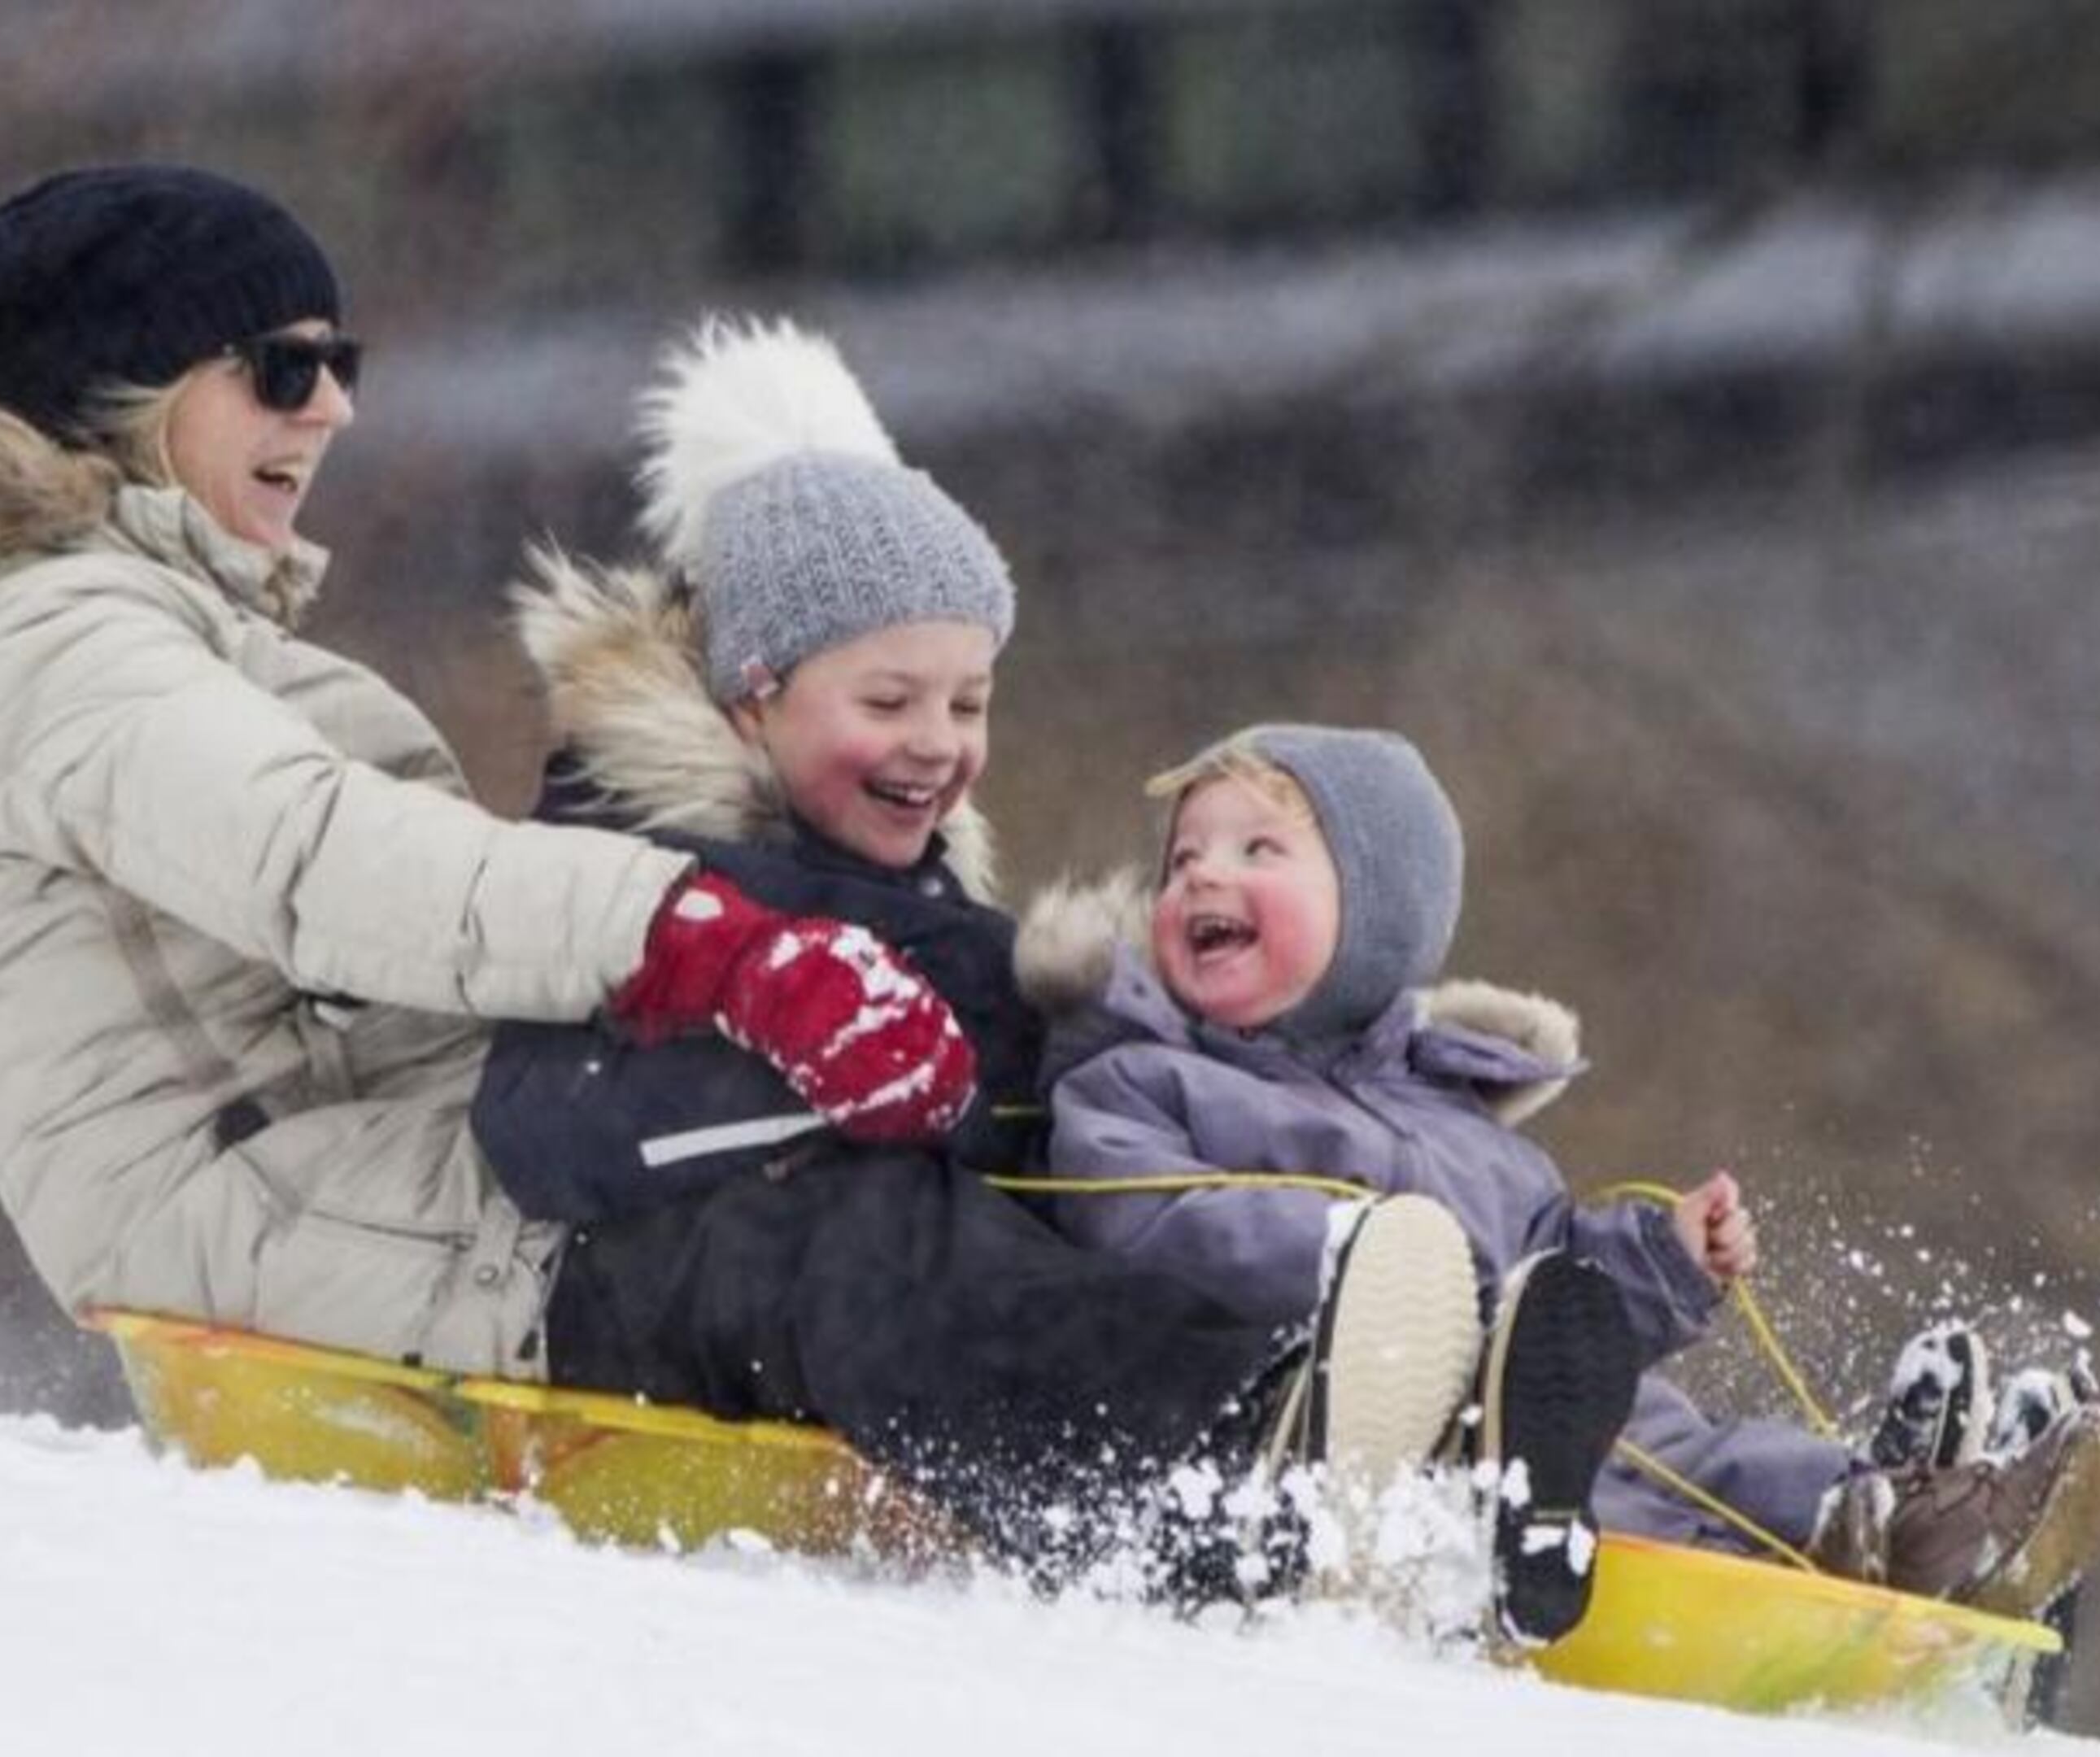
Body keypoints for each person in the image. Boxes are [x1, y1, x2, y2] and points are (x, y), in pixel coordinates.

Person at [0, 165, 982, 1380]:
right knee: (847, 1256)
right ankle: (1160, 1501)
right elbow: (320, 860)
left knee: (938, 1112)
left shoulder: (156, 636)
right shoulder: (56, 648)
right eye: (283, 369)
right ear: (122, 392)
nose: (333, 406)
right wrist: (706, 946)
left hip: (364, 1176)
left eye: (339, 364)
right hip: (281, 1217)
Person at [464, 316, 1510, 1607]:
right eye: (888, 702)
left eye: (968, 704)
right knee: (867, 1230)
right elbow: (532, 1125)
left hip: (838, 1325)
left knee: (1121, 1152)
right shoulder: (629, 873)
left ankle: (1466, 1422)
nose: (938, 744)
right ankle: (1204, 1476)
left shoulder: (922, 897)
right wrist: (815, 1080)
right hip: (621, 1303)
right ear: (753, 698)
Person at [1030, 723, 2100, 1620]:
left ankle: (1901, 1504)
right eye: (1183, 860)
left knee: (1689, 1444)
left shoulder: (1469, 1125)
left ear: (1376, 917)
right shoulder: (1145, 1077)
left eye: (1256, 852)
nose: (1200, 877)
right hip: (1378, 1440)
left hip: (1551, 1412)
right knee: (1644, 1480)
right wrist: (1366, 1268)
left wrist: (1660, 1261)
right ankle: (1896, 1535)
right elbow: (1136, 1221)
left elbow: (1558, 1283)